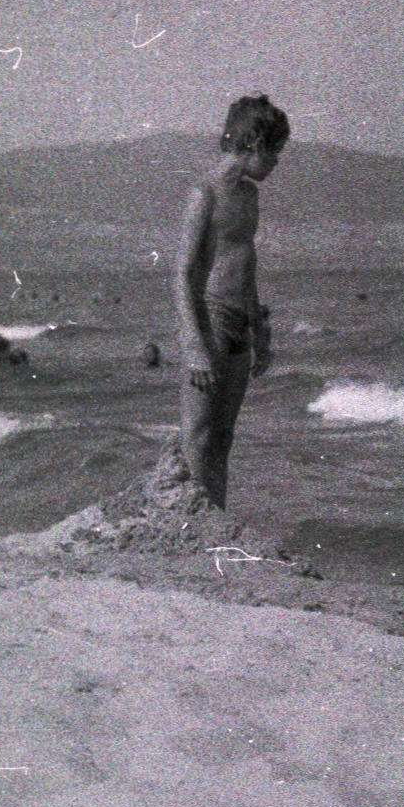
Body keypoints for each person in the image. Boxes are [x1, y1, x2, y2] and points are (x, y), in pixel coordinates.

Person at [173, 93, 287, 509]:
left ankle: (214, 519)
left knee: (223, 436)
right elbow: (182, 275)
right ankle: (190, 521)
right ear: (255, 143)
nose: (276, 162)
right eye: (275, 152)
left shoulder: (249, 197)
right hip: (210, 319)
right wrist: (193, 345)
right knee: (198, 435)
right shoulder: (203, 193)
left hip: (239, 321)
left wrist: (261, 330)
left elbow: (247, 261)